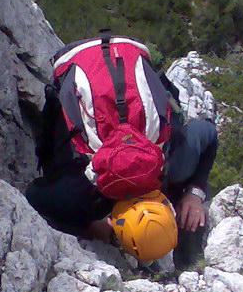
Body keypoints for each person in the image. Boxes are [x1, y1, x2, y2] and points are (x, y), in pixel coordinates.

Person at [26, 41, 217, 268]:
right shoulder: (79, 198)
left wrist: (195, 192)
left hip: (125, 51)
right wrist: (89, 224)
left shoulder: (176, 165)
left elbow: (207, 132)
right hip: (80, 59)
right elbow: (34, 194)